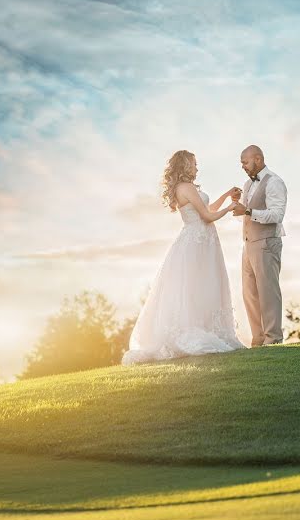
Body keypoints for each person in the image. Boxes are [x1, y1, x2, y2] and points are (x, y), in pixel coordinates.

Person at [122, 150, 245, 365]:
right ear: (186, 165)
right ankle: (194, 332)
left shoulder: (186, 188)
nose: (197, 168)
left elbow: (206, 210)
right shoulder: (186, 188)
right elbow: (207, 217)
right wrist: (231, 207)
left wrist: (226, 196)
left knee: (202, 287)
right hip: (197, 243)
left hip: (201, 242)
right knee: (197, 287)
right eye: (194, 164)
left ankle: (206, 327)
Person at [231, 145, 288, 346]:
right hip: (247, 245)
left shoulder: (274, 182)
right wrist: (238, 206)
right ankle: (259, 339)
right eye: (241, 163)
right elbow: (247, 217)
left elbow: (277, 215)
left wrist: (246, 211)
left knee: (268, 292)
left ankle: (273, 339)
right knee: (250, 294)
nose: (243, 167)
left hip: (266, 242)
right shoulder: (247, 185)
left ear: (258, 158)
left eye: (245, 162)